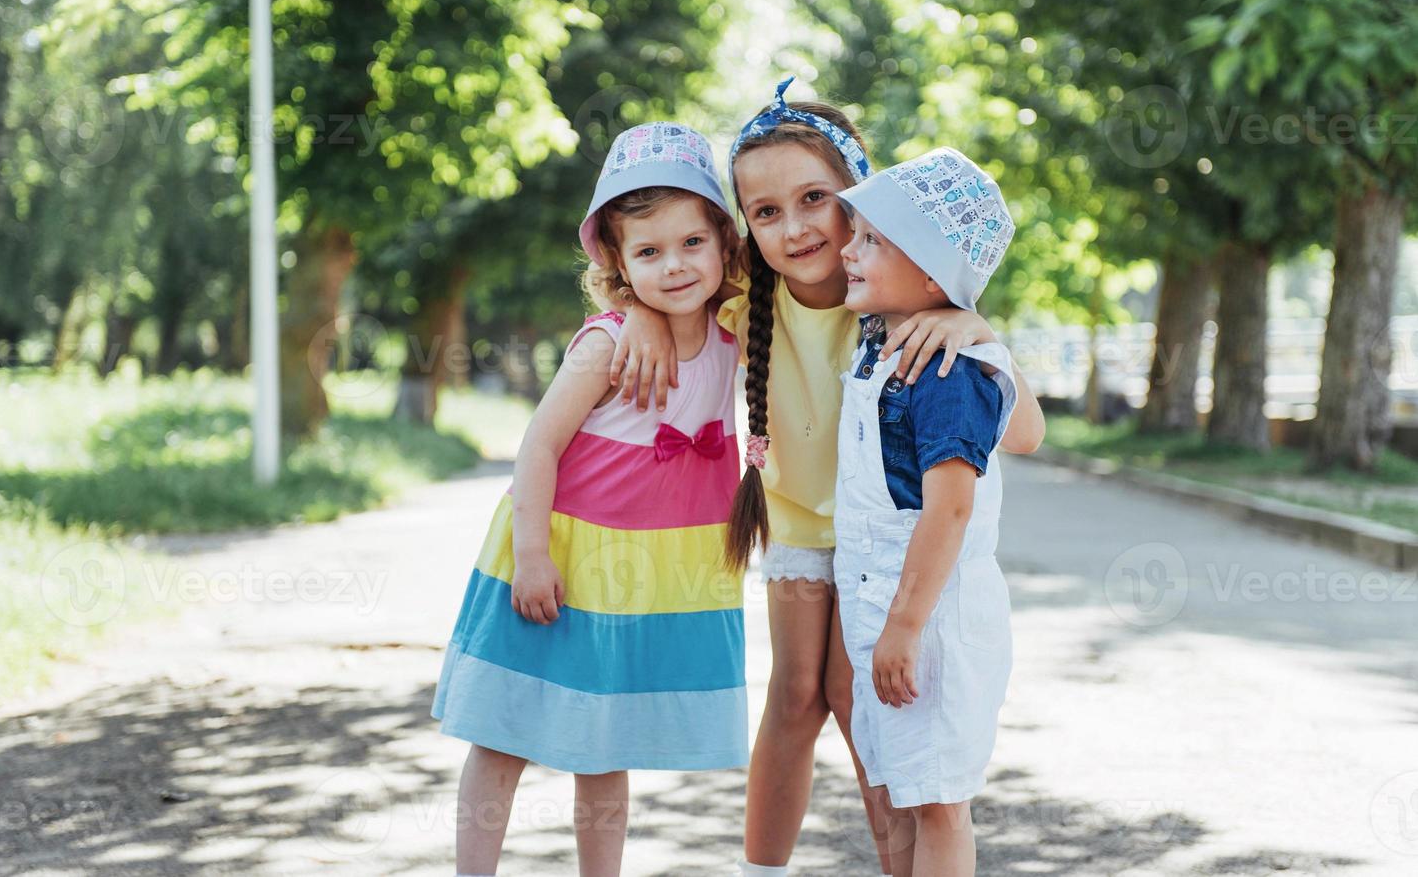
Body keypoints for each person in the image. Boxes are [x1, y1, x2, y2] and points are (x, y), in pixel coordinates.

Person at [610, 78, 1046, 876]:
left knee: (863, 699)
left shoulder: (898, 298)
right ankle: (760, 870)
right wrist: (640, 312)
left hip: (885, 547)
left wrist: (970, 322)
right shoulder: (743, 305)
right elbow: (658, 288)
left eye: (815, 198)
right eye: (765, 212)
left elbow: (1022, 432)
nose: (795, 227)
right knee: (794, 698)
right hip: (801, 536)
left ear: (862, 200)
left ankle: (899, 862)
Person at [431, 121, 749, 877]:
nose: (673, 267)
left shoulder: (736, 332)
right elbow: (538, 445)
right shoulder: (606, 345)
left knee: (606, 739)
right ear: (616, 261)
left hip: (646, 574)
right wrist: (533, 558)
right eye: (647, 253)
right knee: (504, 729)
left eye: (690, 244)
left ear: (724, 244)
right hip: (562, 555)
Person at [833, 147, 1021, 876]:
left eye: (871, 239)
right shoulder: (884, 341)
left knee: (939, 802)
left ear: (932, 275)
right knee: (909, 794)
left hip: (928, 616)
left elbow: (948, 510)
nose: (846, 249)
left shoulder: (946, 367)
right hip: (887, 604)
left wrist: (903, 627)